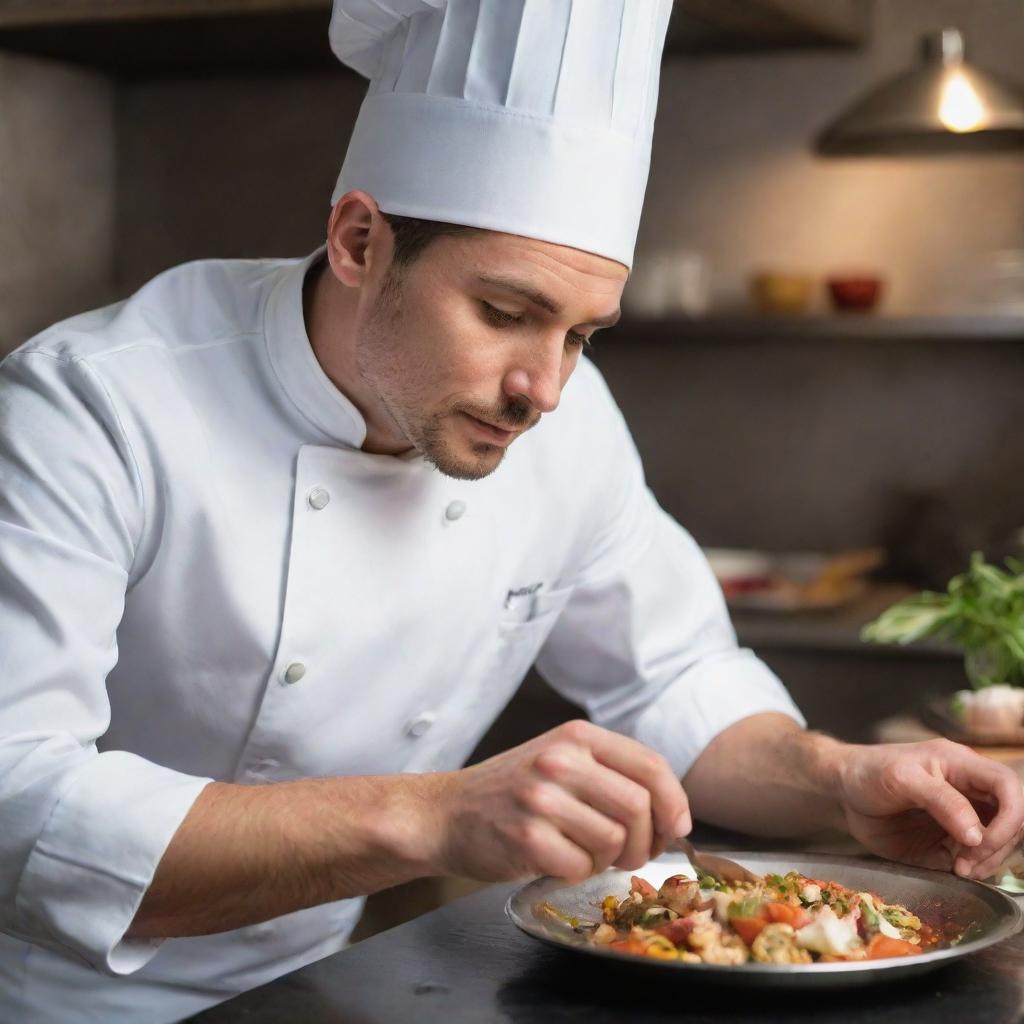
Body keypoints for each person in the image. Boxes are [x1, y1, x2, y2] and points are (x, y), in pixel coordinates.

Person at [1, 1, 1021, 1021]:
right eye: (504, 313)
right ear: (361, 240)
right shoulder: (92, 407)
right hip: (57, 994)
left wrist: (839, 777)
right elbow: (18, 797)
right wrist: (433, 814)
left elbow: (673, 675)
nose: (544, 388)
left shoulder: (560, 426)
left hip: (317, 979)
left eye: (584, 333)